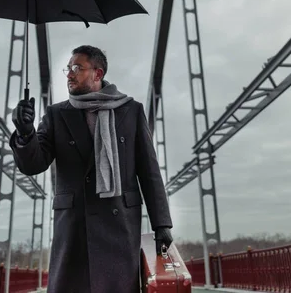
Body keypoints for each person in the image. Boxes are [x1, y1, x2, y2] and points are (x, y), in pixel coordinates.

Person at [9, 45, 173, 293]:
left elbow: (149, 171)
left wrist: (162, 224)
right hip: (74, 226)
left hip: (120, 227)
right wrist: (25, 132)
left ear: (97, 73)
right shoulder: (56, 114)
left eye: (77, 68)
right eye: (68, 68)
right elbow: (34, 164)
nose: (69, 74)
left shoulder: (131, 111)